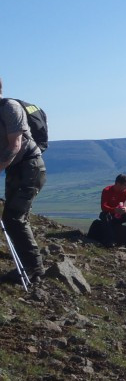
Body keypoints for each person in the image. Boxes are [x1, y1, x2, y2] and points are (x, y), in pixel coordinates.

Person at [0, 79, 47, 285]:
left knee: (14, 218)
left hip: (29, 167)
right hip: (16, 169)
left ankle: (33, 268)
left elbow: (15, 146)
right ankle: (29, 265)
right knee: (14, 218)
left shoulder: (10, 107)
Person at [100, 173, 126, 247]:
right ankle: (110, 240)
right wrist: (114, 210)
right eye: (125, 185)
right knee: (104, 214)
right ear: (117, 184)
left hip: (120, 215)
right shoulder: (107, 190)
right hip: (111, 215)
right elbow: (103, 206)